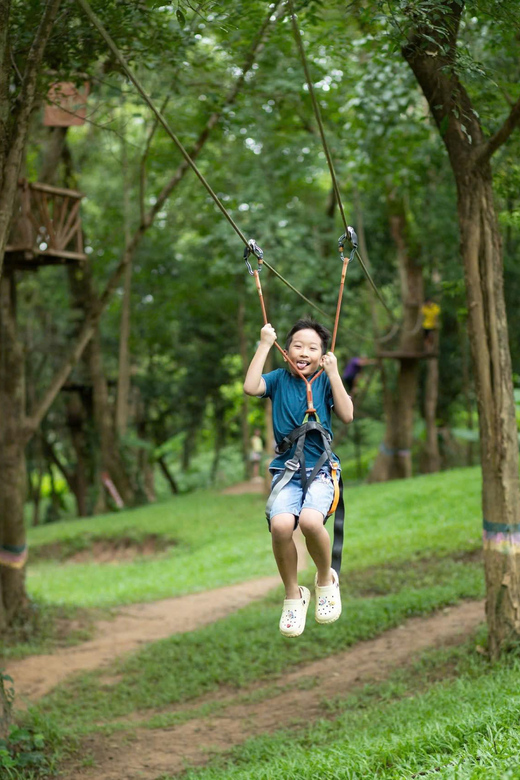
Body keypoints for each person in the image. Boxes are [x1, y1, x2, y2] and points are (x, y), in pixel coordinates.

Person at [243, 318, 354, 638]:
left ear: (322, 356)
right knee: (279, 527)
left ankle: (324, 578)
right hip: (287, 471)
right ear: (285, 351)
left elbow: (346, 414)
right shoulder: (278, 379)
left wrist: (334, 374)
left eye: (313, 348)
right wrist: (263, 343)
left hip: (321, 469)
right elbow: (251, 387)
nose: (304, 352)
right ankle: (293, 593)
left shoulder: (323, 380)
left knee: (309, 522)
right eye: (297, 345)